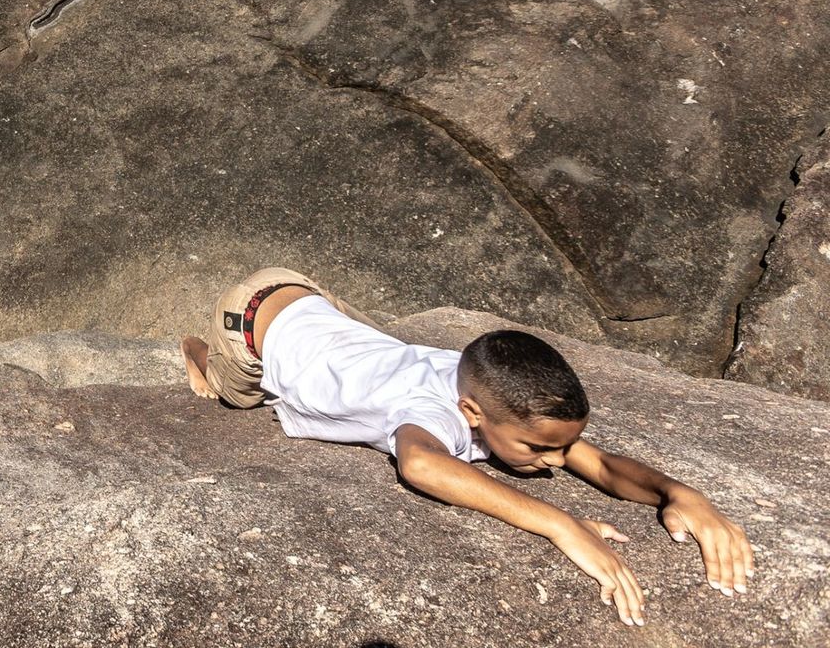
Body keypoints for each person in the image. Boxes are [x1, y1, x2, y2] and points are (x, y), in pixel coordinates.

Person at [180, 267, 754, 628]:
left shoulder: (488, 391)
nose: (555, 463)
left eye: (558, 449)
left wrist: (678, 493)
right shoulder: (434, 412)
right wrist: (559, 524)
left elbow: (597, 462)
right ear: (473, 414)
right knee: (236, 398)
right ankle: (197, 354)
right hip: (252, 321)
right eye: (539, 448)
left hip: (307, 298)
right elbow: (422, 464)